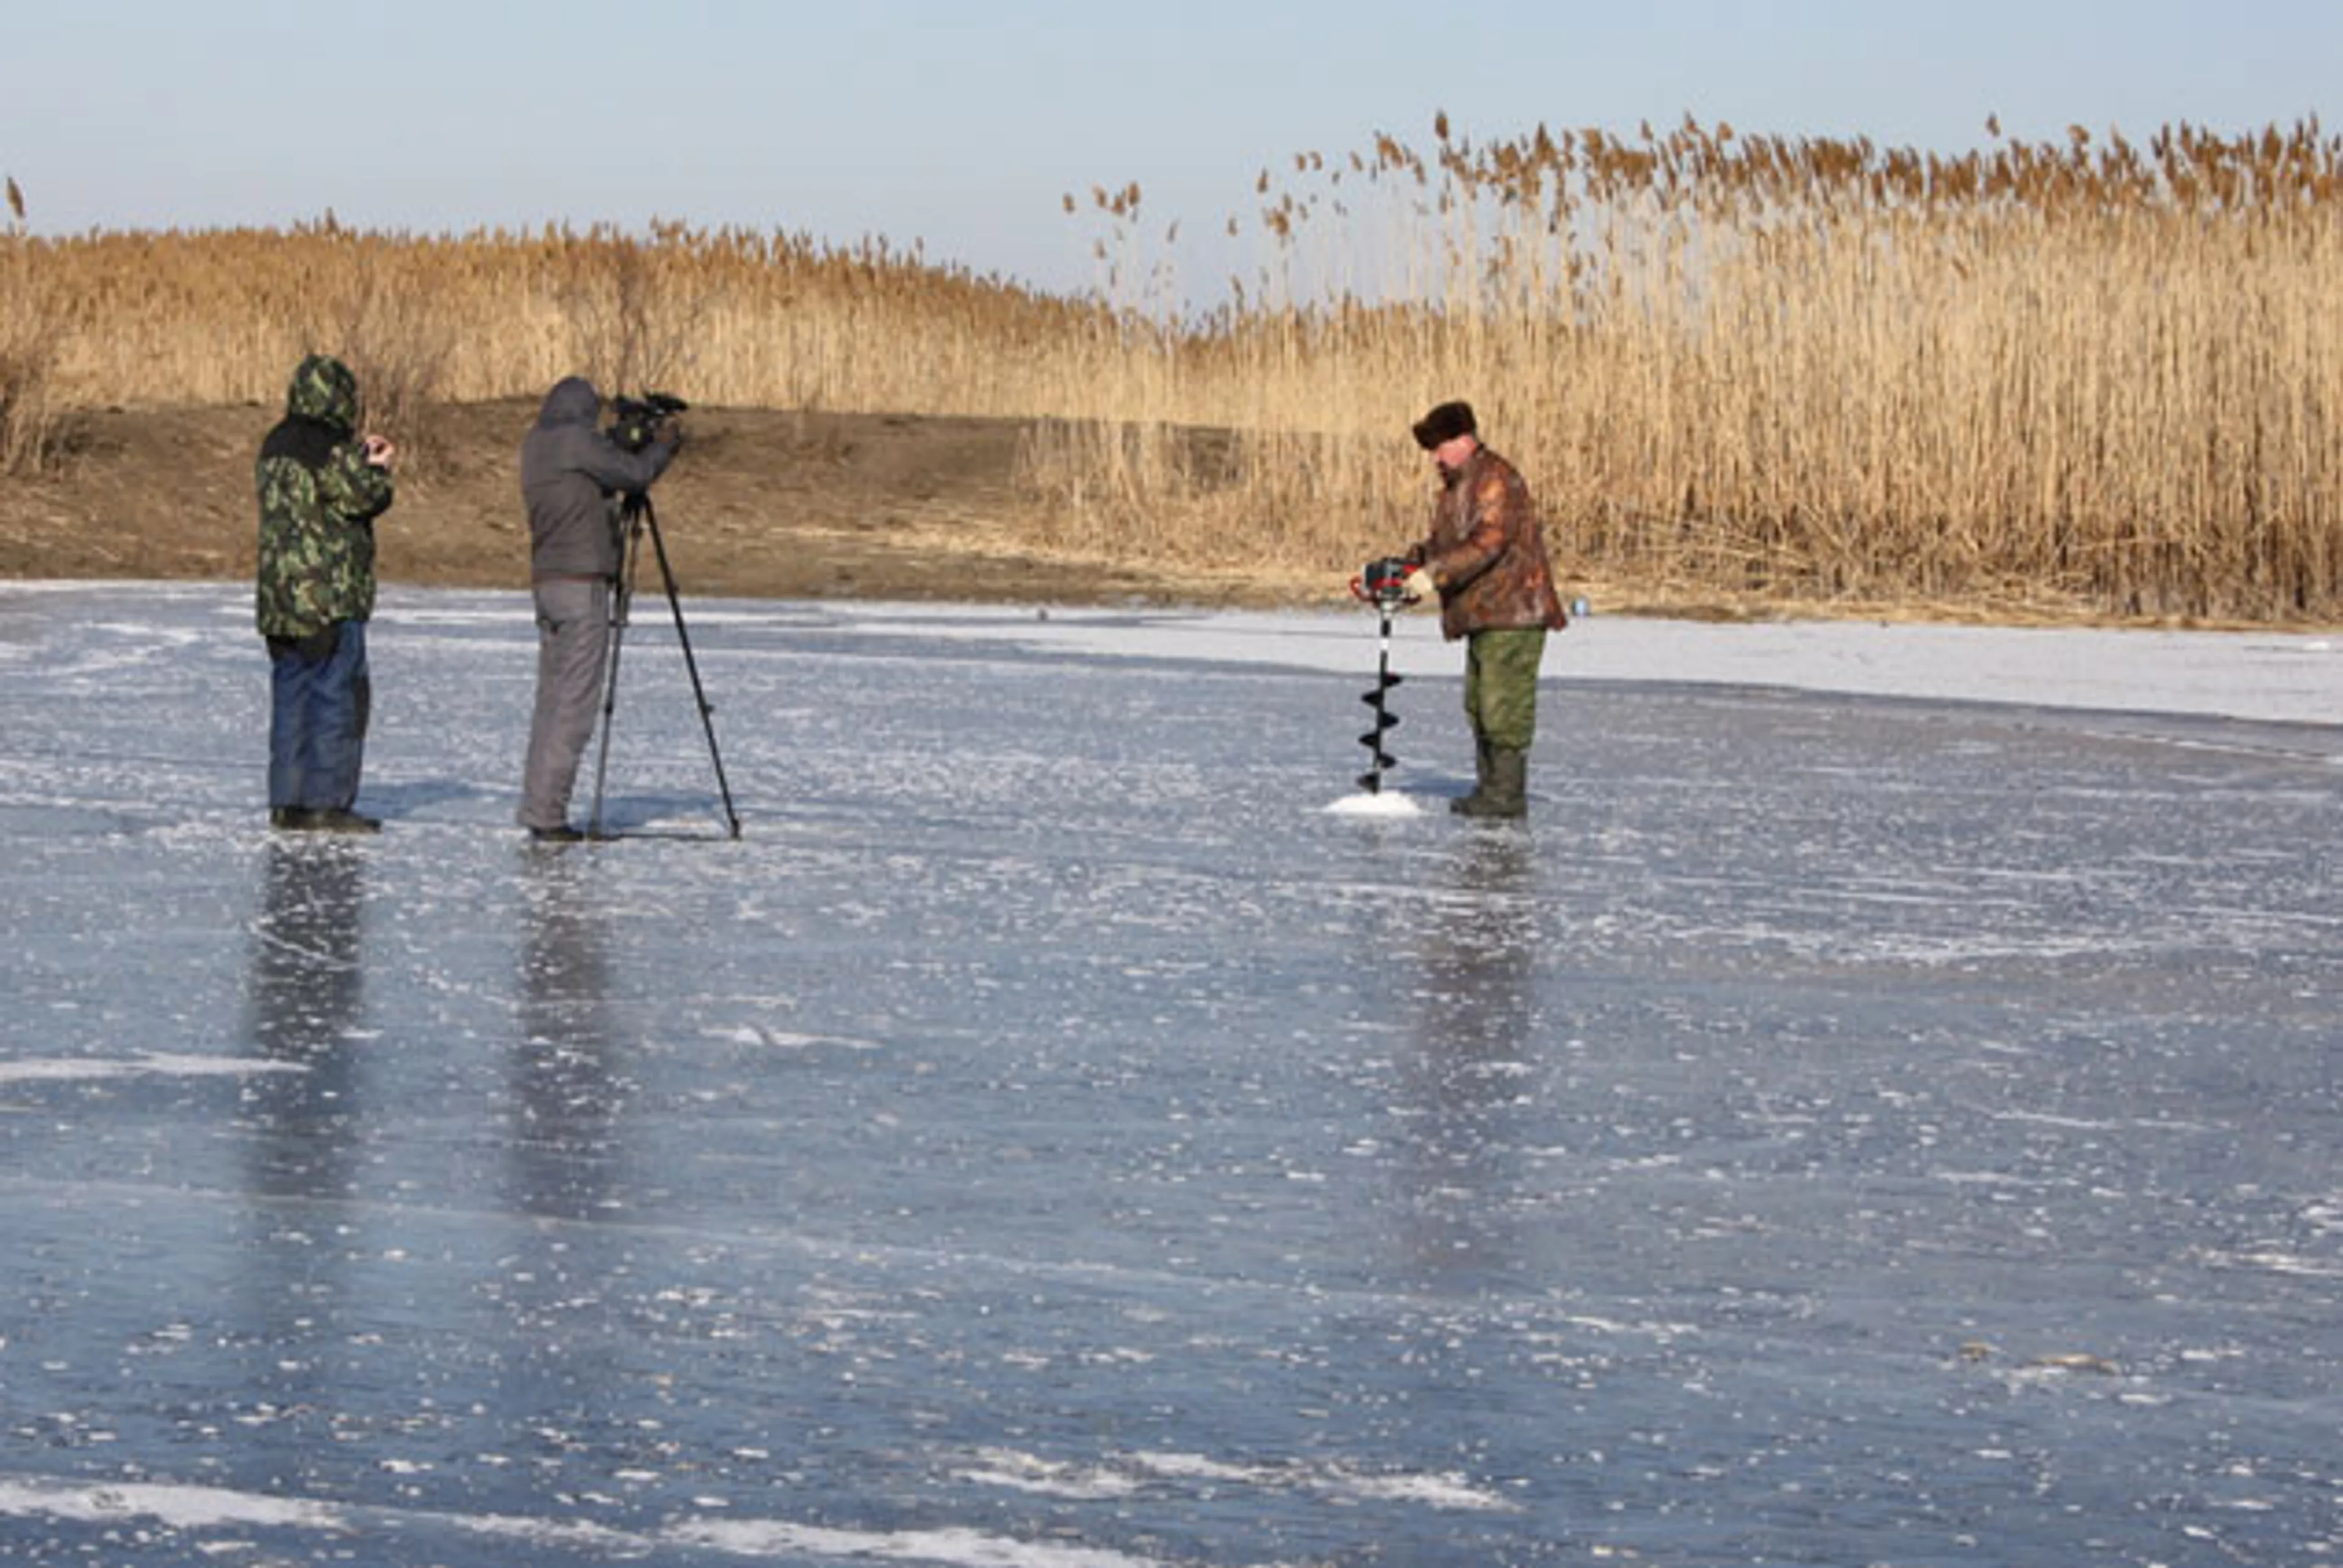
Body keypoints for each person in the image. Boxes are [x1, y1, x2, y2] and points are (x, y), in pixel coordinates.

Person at [516, 376, 680, 842]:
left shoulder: (537, 444)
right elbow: (633, 475)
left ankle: (537, 807)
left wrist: (625, 441)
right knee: (574, 706)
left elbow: (602, 466)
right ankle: (548, 816)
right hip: (581, 585)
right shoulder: (574, 442)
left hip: (548, 583)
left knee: (551, 702)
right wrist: (662, 445)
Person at [1394, 400, 1568, 819]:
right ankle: (1489, 788)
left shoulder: (1495, 480)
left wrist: (1434, 575)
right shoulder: (1459, 486)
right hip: (1484, 614)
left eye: (1440, 447)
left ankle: (1506, 796)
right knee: (1479, 704)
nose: (1435, 458)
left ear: (1463, 440)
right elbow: (1446, 546)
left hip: (1513, 611)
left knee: (1501, 704)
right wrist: (1408, 566)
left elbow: (1488, 543)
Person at [254, 353, 397, 833]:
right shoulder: (328, 446)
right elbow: (362, 497)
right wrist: (377, 467)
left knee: (291, 699)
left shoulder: (276, 445)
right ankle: (326, 802)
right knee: (337, 699)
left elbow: (317, 499)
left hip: (279, 602)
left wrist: (354, 460)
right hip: (327, 599)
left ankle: (287, 800)